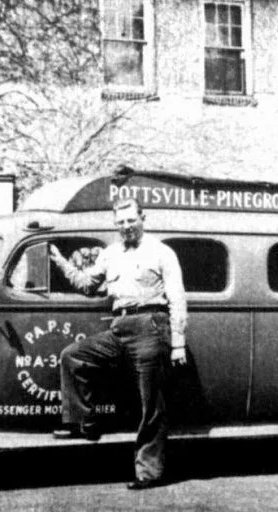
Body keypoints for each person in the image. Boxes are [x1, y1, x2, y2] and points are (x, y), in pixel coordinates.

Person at [48, 197, 187, 490]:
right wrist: (61, 263)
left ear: (142, 218)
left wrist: (178, 343)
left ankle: (149, 472)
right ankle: (85, 423)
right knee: (73, 356)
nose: (126, 226)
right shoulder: (110, 254)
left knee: (151, 403)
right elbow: (87, 284)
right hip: (119, 326)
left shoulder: (162, 252)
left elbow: (177, 298)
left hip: (151, 325)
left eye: (131, 220)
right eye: (120, 222)